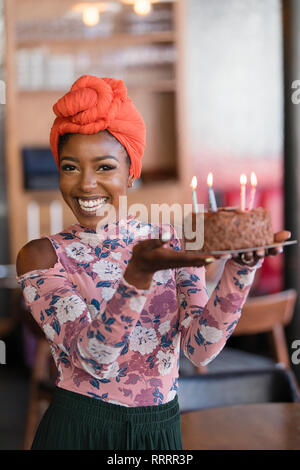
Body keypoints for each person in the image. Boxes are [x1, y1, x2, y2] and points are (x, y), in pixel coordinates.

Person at [16, 75, 289, 450]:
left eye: (105, 167)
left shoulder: (173, 243)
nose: (86, 184)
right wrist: (137, 275)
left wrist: (241, 269)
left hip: (159, 432)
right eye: (70, 167)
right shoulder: (42, 256)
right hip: (80, 430)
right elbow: (94, 360)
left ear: (131, 173)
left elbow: (200, 348)